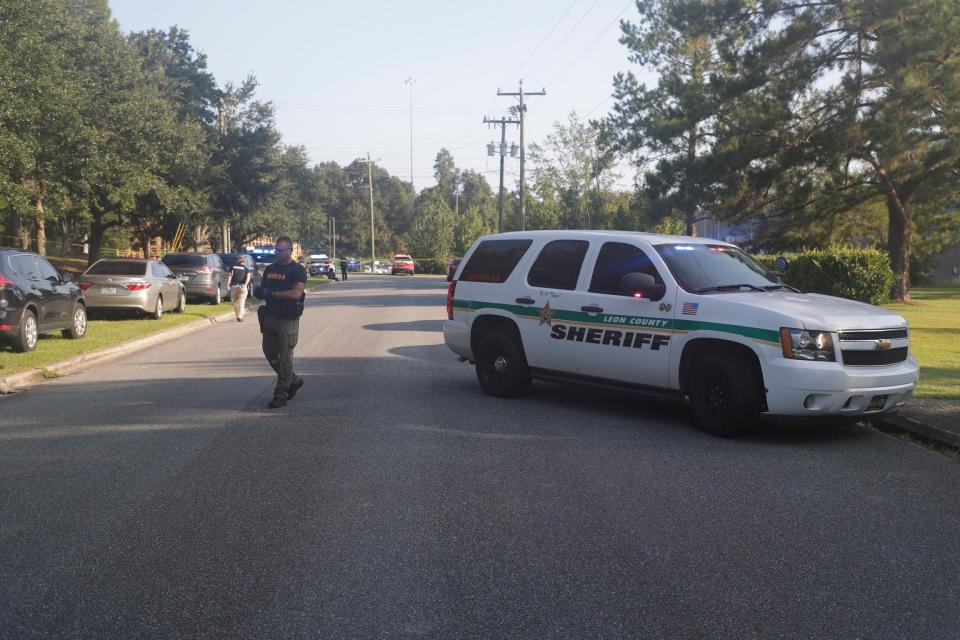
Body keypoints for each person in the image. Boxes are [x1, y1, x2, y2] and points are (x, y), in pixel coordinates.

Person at [253, 236, 307, 409]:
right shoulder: (270, 269)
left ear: (290, 251)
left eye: (282, 250)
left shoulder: (297, 270)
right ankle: (294, 380)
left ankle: (280, 394)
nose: (278, 252)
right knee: (270, 353)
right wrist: (260, 292)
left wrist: (272, 294)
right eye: (277, 249)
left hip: (287, 318)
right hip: (270, 316)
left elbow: (296, 294)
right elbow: (263, 289)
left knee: (285, 357)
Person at [229, 257, 252, 321]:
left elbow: (229, 276)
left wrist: (228, 284)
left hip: (234, 287)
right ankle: (239, 316)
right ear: (243, 262)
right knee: (241, 302)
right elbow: (248, 277)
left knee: (235, 303)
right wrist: (245, 284)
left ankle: (237, 315)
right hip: (242, 287)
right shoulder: (246, 268)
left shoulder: (232, 267)